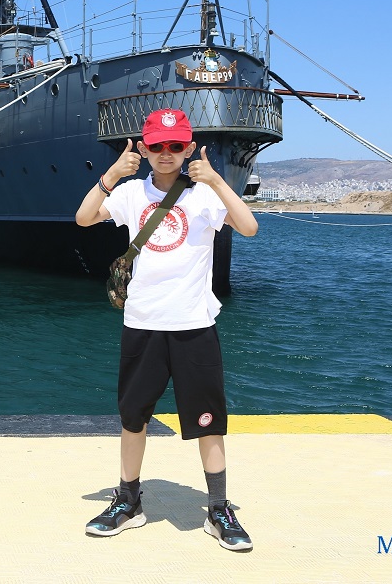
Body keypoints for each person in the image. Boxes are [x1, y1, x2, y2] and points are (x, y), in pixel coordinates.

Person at [74, 108, 258, 551]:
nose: (166, 153)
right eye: (157, 145)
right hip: (143, 323)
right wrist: (112, 175)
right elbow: (84, 217)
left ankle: (218, 509)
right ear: (144, 147)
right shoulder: (131, 193)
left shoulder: (205, 196)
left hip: (194, 324)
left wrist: (217, 181)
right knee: (133, 417)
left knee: (208, 422)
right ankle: (128, 501)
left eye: (176, 145)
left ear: (189, 148)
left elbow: (249, 227)